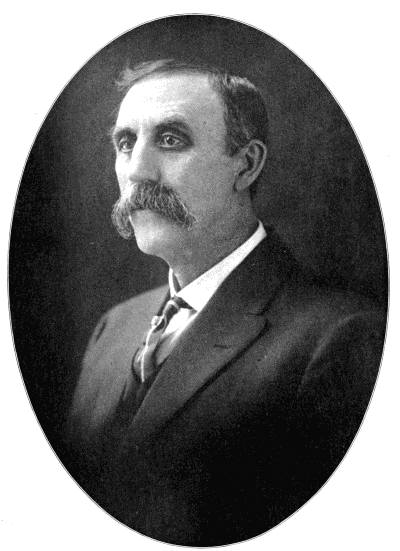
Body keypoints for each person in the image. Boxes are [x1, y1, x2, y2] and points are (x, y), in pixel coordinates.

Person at [67, 59, 385, 546]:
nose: (136, 170)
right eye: (126, 143)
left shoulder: (341, 340)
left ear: (247, 164)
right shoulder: (114, 328)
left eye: (170, 140)